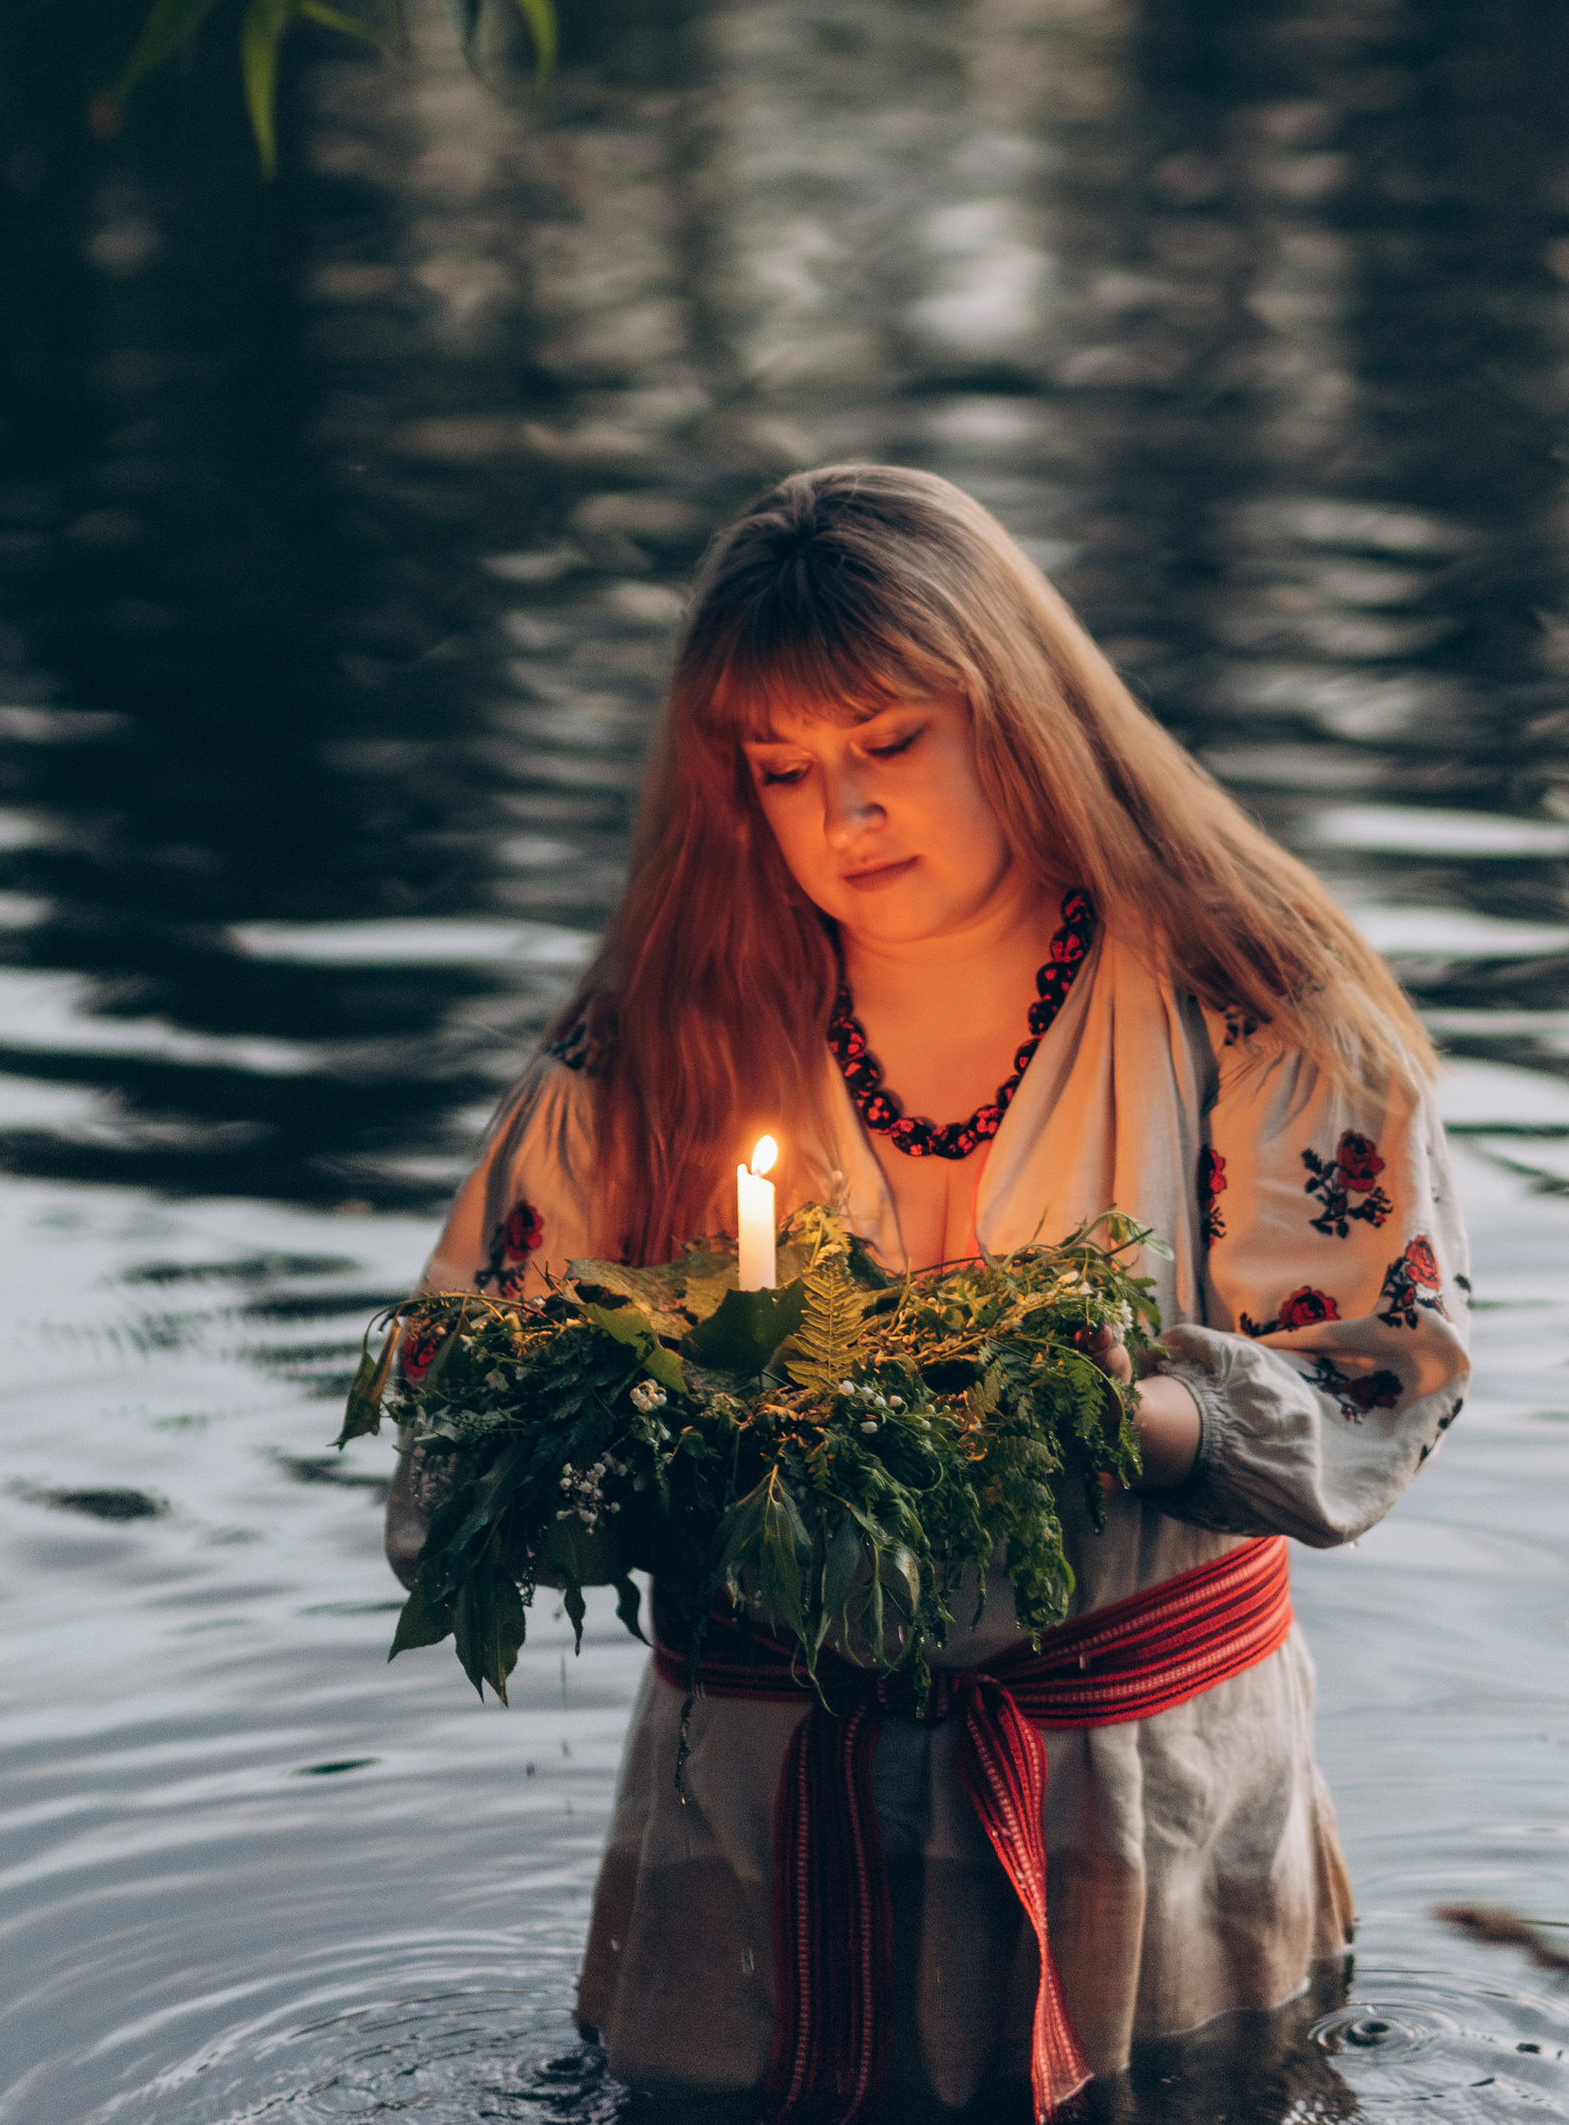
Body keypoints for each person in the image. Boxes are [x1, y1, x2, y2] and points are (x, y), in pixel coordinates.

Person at [391, 463, 1472, 2118]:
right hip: (765, 1794)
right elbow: (469, 1400)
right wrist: (626, 1456)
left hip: (1133, 1788)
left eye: (890, 744)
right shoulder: (658, 1042)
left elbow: (1379, 1376)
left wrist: (1142, 1417)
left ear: (1018, 716)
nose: (846, 815)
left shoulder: (1247, 1000)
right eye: (784, 770)